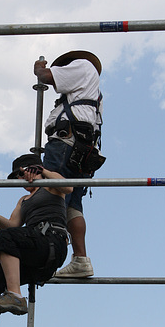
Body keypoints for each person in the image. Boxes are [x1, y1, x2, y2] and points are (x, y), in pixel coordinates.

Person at [0, 154, 72, 327]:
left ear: (31, 169)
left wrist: (43, 172)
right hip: (33, 251)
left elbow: (68, 187)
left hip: (51, 242)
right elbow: (11, 226)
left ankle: (15, 296)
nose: (19, 180)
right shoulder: (23, 200)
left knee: (5, 238)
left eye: (20, 174)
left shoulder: (50, 184)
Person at [34, 50, 103, 277]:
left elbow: (45, 76)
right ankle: (80, 259)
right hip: (81, 150)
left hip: (65, 143)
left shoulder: (82, 66)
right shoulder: (90, 93)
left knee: (52, 191)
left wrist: (40, 68)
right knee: (73, 204)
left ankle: (47, 251)